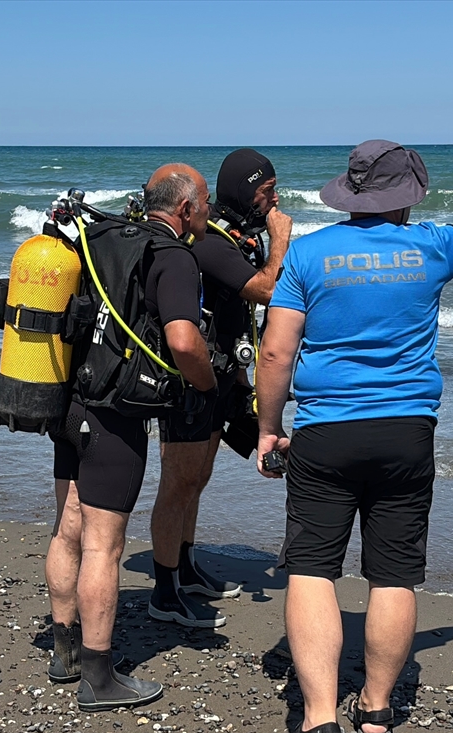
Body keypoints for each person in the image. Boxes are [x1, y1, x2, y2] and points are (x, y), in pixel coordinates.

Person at [256, 140, 453, 733]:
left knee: (310, 569)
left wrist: (270, 428)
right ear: (407, 198)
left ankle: (320, 715)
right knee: (393, 572)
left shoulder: (307, 253)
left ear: (351, 194)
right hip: (406, 431)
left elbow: (276, 351)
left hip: (325, 430)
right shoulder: (432, 246)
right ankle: (377, 709)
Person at [47, 163, 217, 711]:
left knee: (68, 527)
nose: (209, 211)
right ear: (185, 209)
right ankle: (99, 677)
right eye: (206, 201)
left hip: (68, 401)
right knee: (103, 544)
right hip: (114, 416)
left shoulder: (98, 237)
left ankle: (64, 649)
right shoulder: (173, 257)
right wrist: (208, 384)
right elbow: (185, 342)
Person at [148, 148, 293, 628]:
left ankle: (184, 565)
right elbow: (268, 290)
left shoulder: (227, 237)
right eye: (266, 191)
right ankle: (164, 590)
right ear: (242, 191)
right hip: (194, 377)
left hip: (220, 372)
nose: (273, 201)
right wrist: (282, 240)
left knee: (197, 477)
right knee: (178, 482)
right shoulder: (209, 243)